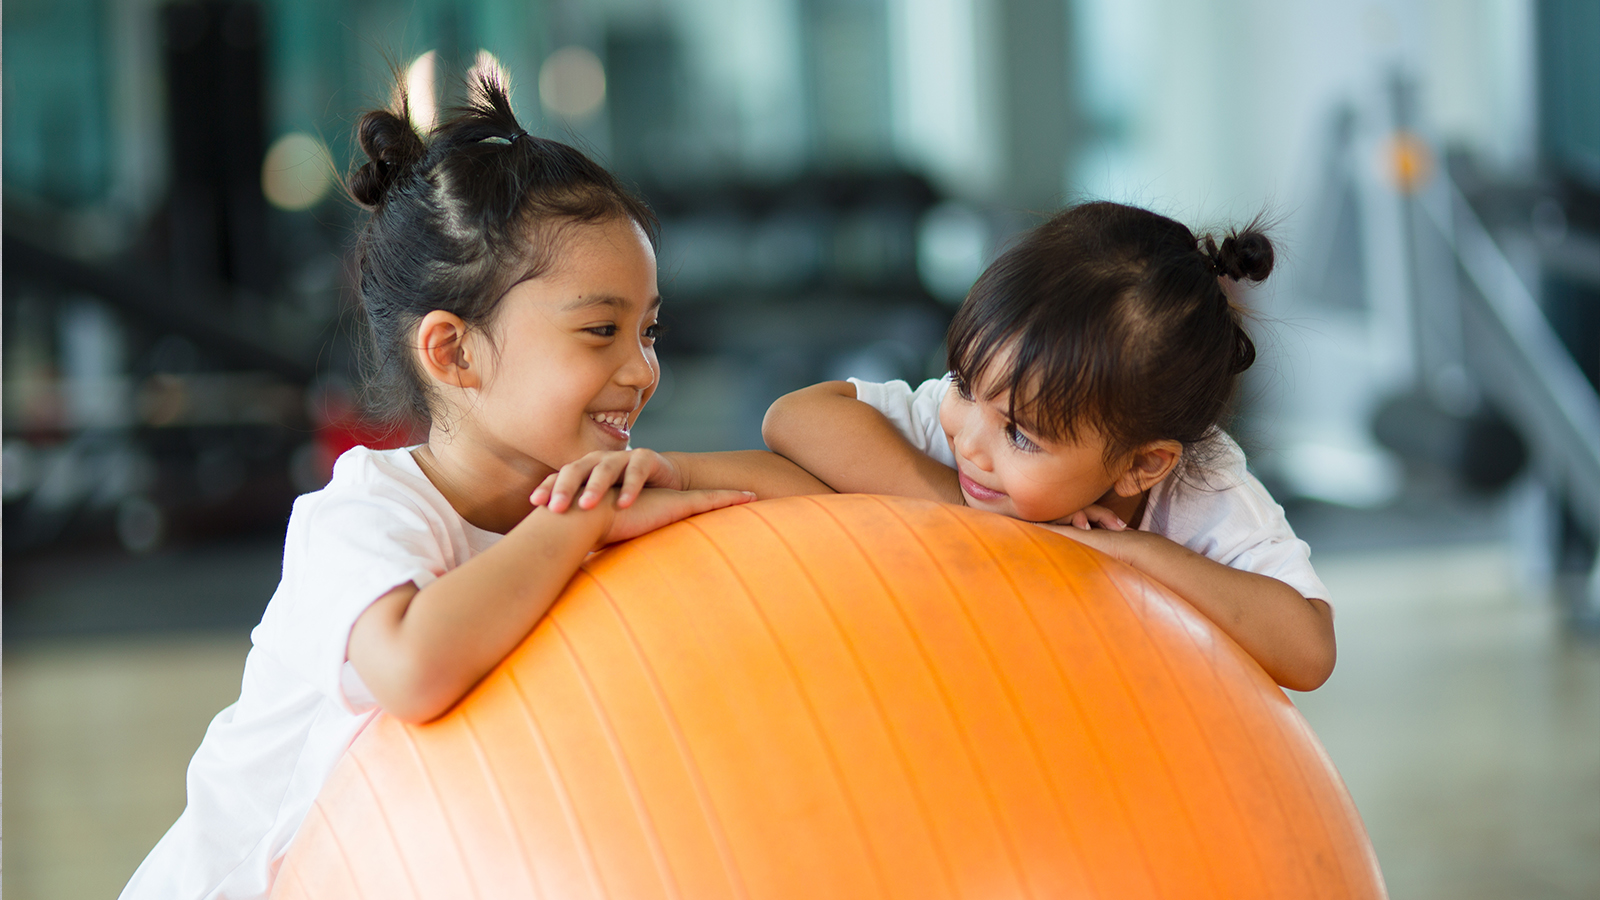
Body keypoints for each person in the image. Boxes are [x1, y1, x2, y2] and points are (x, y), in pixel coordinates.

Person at [120, 61, 823, 900]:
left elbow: (811, 503)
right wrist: (579, 525)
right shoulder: (363, 513)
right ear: (453, 352)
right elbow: (414, 669)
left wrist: (663, 474)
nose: (642, 370)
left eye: (651, 330)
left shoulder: (582, 485)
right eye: (601, 330)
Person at [760, 201, 1336, 692]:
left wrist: (1128, 555)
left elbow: (1309, 652)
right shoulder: (970, 421)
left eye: (1020, 436)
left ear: (1142, 464)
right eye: (962, 381)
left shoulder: (1202, 490)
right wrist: (966, 515)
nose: (973, 444)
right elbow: (795, 417)